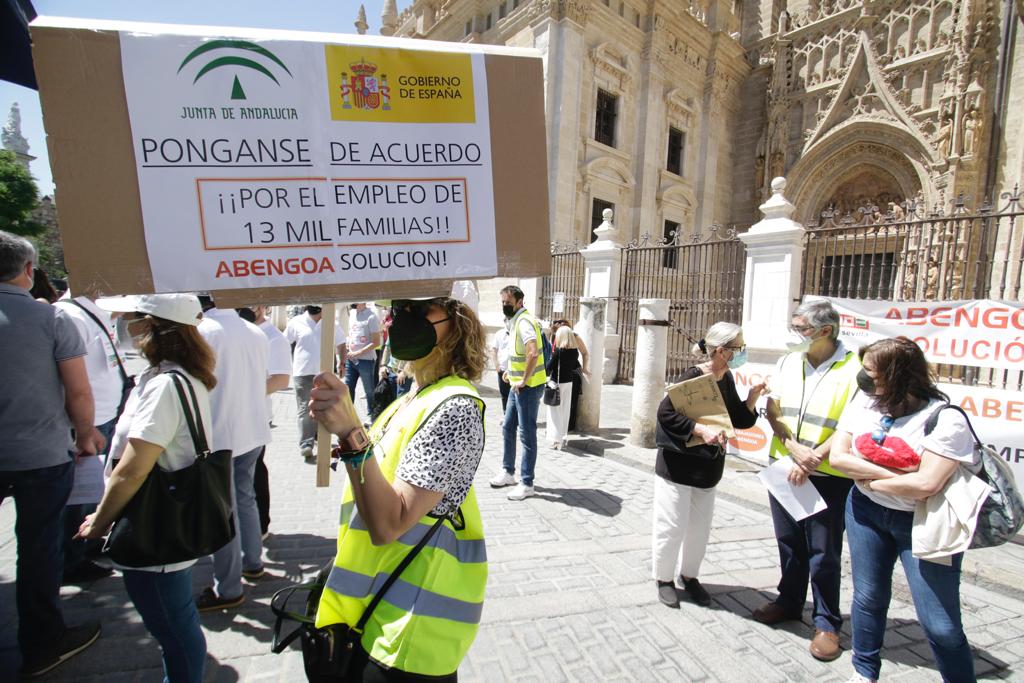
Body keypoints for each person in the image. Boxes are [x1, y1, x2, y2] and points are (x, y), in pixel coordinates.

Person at [310, 296, 487, 681]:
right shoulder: (409, 399)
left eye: (421, 311)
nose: (405, 318)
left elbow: (391, 523)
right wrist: (342, 419)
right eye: (401, 309)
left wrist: (350, 433)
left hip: (412, 634)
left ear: (457, 323)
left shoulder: (455, 407)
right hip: (377, 610)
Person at [80, 293, 213, 683]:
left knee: (173, 630)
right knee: (174, 627)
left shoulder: (166, 386)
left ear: (152, 326)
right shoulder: (167, 378)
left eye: (130, 317)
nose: (122, 324)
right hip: (155, 524)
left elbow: (132, 470)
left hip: (154, 529)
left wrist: (100, 521)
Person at [829, 337, 979, 683]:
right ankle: (864, 672)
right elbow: (839, 457)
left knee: (939, 622)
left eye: (870, 372)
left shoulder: (944, 419)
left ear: (897, 376)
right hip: (865, 512)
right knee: (868, 598)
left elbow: (927, 485)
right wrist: (893, 477)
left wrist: (871, 479)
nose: (863, 378)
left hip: (924, 523)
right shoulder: (864, 402)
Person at [0, 230, 103, 677]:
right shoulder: (51, 319)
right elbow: (78, 391)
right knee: (38, 549)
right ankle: (43, 642)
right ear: (28, 271)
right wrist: (85, 435)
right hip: (41, 454)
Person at [756, 299, 861, 662]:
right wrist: (792, 448)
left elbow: (855, 422)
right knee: (788, 542)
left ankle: (827, 623)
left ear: (825, 330)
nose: (795, 334)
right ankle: (788, 601)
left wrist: (814, 457)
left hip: (828, 473)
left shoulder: (855, 367)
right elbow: (772, 407)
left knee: (824, 551)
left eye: (801, 329)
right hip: (784, 464)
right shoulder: (789, 360)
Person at [652, 323, 764, 609]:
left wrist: (752, 397)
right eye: (739, 347)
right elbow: (665, 413)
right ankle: (664, 579)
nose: (743, 352)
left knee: (699, 528)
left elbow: (737, 418)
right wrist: (699, 430)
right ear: (722, 351)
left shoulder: (725, 378)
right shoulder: (693, 376)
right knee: (672, 525)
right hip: (678, 466)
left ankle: (690, 576)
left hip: (708, 467)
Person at [195, 299, 271, 610]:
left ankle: (227, 587)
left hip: (220, 432)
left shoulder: (202, 331)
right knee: (245, 497)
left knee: (223, 510)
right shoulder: (255, 332)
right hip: (251, 427)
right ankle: (253, 561)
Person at [55, 291, 127, 583]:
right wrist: (84, 426)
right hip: (86, 423)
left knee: (92, 491)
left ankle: (89, 542)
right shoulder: (70, 315)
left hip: (102, 417)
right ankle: (70, 559)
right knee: (76, 495)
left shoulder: (98, 312)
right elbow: (72, 380)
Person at [490, 285, 548, 501]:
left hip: (529, 387)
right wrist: (512, 376)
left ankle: (527, 482)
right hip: (518, 385)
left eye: (508, 302)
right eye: (503, 302)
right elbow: (520, 354)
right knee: (507, 426)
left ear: (520, 301)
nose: (505, 306)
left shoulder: (524, 322)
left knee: (527, 434)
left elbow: (532, 353)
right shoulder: (515, 321)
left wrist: (523, 379)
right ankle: (508, 472)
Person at [243, 305, 291, 538]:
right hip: (233, 416)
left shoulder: (273, 337)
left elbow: (280, 379)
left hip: (255, 415)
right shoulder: (239, 330)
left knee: (253, 474)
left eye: (255, 303)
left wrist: (240, 396)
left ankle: (260, 525)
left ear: (265, 307)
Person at [284, 305, 347, 462]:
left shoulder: (331, 322)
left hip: (325, 373)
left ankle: (319, 436)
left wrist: (342, 362)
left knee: (324, 407)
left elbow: (341, 343)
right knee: (305, 408)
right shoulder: (296, 322)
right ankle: (306, 444)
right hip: (302, 372)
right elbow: (284, 342)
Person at [545, 325, 582, 449]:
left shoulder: (559, 352)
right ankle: (563, 438)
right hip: (569, 383)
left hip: (556, 383)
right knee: (565, 410)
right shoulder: (574, 352)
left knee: (554, 412)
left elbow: (548, 368)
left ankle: (556, 440)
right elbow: (575, 366)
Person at [550, 318, 590, 431]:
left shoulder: (574, 336)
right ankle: (558, 429)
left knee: (570, 403)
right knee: (556, 402)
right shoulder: (554, 336)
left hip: (571, 373)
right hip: (558, 374)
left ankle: (567, 428)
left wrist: (585, 368)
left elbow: (585, 353)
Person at [345, 302, 383, 417]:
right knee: (347, 388)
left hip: (366, 360)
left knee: (369, 391)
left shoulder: (371, 316)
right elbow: (350, 333)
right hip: (351, 359)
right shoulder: (351, 313)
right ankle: (348, 417)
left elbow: (376, 342)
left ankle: (372, 417)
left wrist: (358, 352)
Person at [491, 316, 512, 412]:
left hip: (515, 370)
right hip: (502, 369)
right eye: (508, 319)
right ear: (505, 321)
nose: (510, 322)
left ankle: (514, 416)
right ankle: (505, 414)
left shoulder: (518, 332)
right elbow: (494, 350)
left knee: (516, 394)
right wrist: (496, 365)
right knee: (504, 394)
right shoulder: (499, 334)